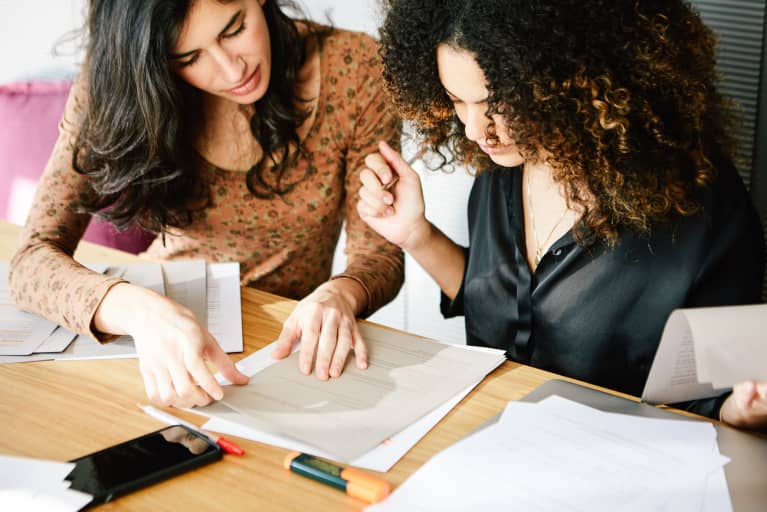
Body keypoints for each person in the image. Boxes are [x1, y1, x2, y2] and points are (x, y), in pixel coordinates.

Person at [357, 0, 767, 429]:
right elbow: (496, 301)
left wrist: (742, 410)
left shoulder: (701, 211)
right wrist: (416, 236)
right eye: (458, 100)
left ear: (575, 78)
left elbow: (713, 397)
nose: (476, 130)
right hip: (486, 442)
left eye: (496, 102)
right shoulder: (501, 173)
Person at [9, 0, 404, 408]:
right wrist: (137, 311)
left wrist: (340, 293)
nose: (233, 70)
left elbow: (381, 253)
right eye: (190, 57)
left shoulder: (355, 69)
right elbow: (30, 262)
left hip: (282, 350)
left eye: (234, 29)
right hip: (149, 341)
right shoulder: (115, 82)